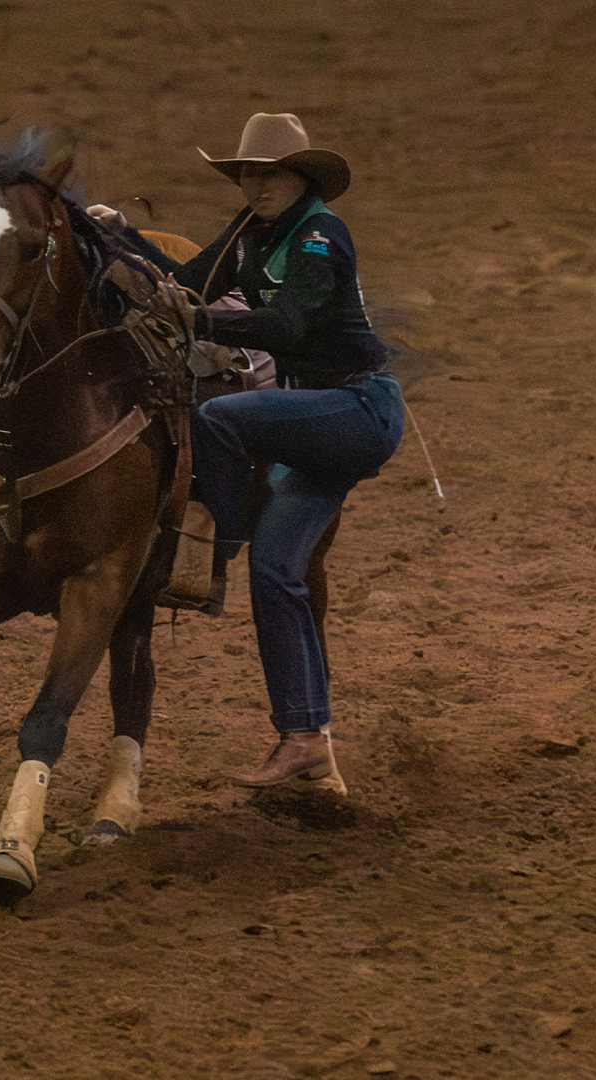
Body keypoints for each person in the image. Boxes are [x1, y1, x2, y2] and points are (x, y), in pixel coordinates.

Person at [95, 112, 405, 788]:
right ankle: (305, 740)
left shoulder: (322, 235)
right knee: (278, 572)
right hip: (314, 425)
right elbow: (187, 279)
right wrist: (117, 237)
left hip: (357, 409)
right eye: (247, 174)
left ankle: (205, 552)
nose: (256, 184)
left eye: (269, 173)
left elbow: (287, 323)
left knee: (226, 420)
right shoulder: (248, 233)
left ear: (301, 177)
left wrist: (199, 320)